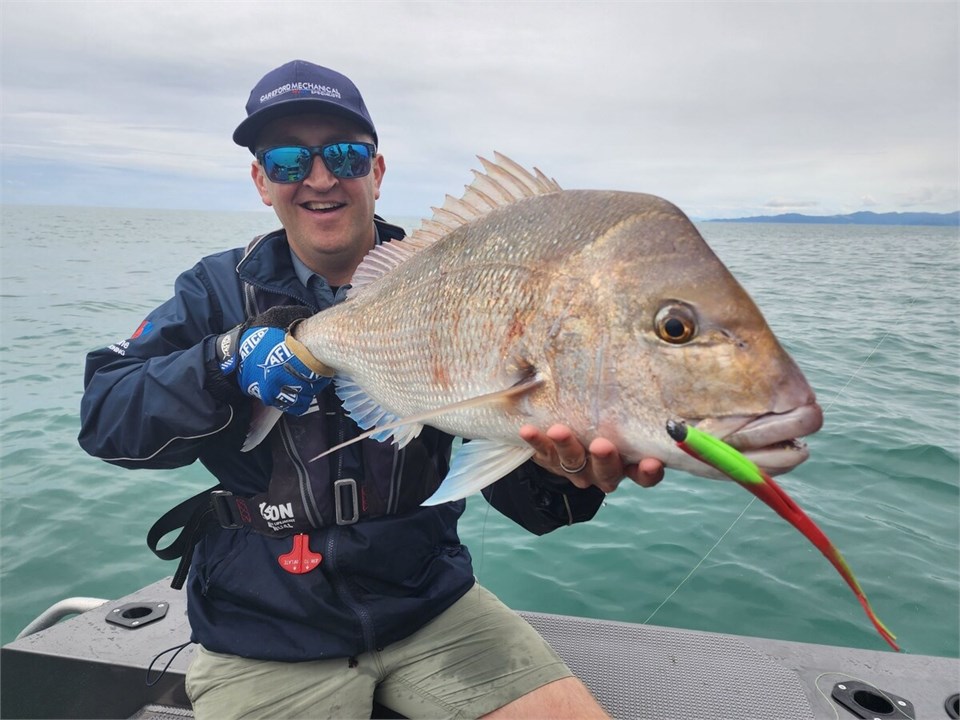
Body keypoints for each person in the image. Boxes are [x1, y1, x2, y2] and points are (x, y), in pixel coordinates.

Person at [79, 59, 664, 720]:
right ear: (260, 180)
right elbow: (105, 417)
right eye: (289, 160)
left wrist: (567, 474)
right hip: (265, 631)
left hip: (432, 607)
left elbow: (522, 493)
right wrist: (222, 358)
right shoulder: (214, 290)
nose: (320, 178)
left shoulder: (455, 280)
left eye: (346, 156)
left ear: (377, 173)